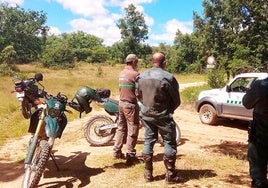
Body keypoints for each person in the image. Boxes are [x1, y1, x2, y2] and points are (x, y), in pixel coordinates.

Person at [135, 52, 181, 184]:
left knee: (148, 140)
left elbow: (138, 95)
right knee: (169, 142)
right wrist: (167, 110)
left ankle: (148, 174)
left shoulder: (141, 76)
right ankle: (171, 176)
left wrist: (147, 107)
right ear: (164, 62)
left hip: (146, 114)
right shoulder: (168, 77)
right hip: (163, 115)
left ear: (152, 62)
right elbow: (176, 100)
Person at [242, 64, 268, 188]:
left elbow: (246, 103)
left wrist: (249, 90)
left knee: (258, 175)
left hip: (261, 135)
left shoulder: (260, 86)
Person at [113, 53, 141, 166]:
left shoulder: (122, 73)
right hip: (130, 105)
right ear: (133, 62)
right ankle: (130, 155)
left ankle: (116, 152)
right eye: (137, 61)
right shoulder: (135, 74)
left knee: (121, 128)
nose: (137, 63)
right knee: (133, 129)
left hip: (121, 103)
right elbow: (139, 91)